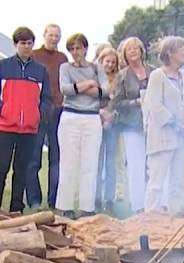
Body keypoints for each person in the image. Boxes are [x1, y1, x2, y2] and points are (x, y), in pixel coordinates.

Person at [0, 26, 51, 212]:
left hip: (29, 129)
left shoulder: (40, 70)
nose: (26, 47)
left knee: (21, 169)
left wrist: (38, 113)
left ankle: (16, 207)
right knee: (1, 167)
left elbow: (46, 98)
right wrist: (3, 111)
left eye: (30, 43)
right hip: (7, 126)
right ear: (15, 44)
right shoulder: (3, 66)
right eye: (22, 43)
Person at [142, 36, 184, 213]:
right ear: (170, 53)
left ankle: (174, 218)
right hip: (163, 137)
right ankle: (150, 218)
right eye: (182, 48)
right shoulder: (157, 76)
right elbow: (154, 105)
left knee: (178, 181)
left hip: (183, 138)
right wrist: (177, 124)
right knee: (157, 182)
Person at [55, 33, 108, 217]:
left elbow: (104, 91)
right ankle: (65, 206)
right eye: (72, 49)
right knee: (68, 164)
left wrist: (81, 88)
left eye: (78, 48)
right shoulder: (65, 67)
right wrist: (88, 84)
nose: (75, 52)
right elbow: (65, 90)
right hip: (70, 116)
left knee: (90, 164)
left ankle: (87, 207)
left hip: (91, 117)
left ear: (85, 49)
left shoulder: (97, 67)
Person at [29, 24, 68, 208]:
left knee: (56, 157)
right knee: (33, 157)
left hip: (58, 110)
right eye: (51, 35)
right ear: (44, 35)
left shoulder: (62, 58)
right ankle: (34, 199)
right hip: (37, 110)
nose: (54, 38)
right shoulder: (34, 56)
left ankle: (54, 199)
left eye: (57, 35)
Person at [115, 36, 150, 213]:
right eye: (130, 49)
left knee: (154, 165)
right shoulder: (122, 75)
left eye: (136, 48)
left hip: (153, 125)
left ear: (141, 51)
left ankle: (157, 204)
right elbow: (117, 102)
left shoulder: (153, 71)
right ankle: (138, 205)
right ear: (125, 54)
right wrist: (135, 102)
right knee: (136, 165)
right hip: (132, 125)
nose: (133, 51)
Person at [95, 45, 121, 211]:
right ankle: (96, 197)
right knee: (97, 162)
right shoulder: (95, 77)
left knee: (111, 161)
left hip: (113, 123)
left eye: (113, 62)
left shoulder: (119, 79)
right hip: (96, 120)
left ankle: (109, 198)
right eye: (107, 61)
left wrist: (111, 115)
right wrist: (100, 113)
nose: (110, 64)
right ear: (101, 61)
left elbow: (120, 100)